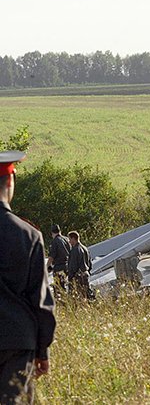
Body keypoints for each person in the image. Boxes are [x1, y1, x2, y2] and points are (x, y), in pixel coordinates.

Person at [0, 150, 56, 403]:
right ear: (10, 182)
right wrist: (42, 350)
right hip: (17, 339)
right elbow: (41, 300)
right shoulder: (28, 235)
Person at [67, 231, 95, 300]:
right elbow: (90, 263)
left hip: (78, 277)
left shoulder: (75, 250)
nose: (69, 241)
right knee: (87, 295)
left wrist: (70, 277)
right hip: (85, 274)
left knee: (78, 298)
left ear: (73, 239)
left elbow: (73, 266)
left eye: (70, 239)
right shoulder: (85, 248)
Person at [47, 224, 71, 295]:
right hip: (67, 266)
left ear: (52, 233)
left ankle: (61, 304)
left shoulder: (55, 241)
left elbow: (51, 257)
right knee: (66, 286)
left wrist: (47, 266)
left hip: (59, 267)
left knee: (58, 289)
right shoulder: (67, 239)